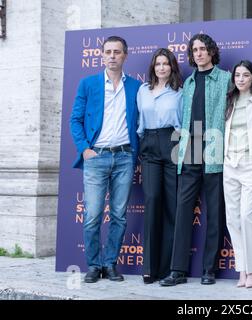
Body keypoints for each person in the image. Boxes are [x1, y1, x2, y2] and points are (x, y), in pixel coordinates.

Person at [159, 33, 231, 286]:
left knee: (214, 213)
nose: (199, 53)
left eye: (203, 49)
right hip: (189, 151)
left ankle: (209, 270)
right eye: (195, 50)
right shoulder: (187, 83)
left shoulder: (226, 79)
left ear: (211, 51)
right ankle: (177, 270)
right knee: (182, 211)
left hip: (214, 152)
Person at [70, 36, 140, 283]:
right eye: (108, 52)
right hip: (96, 156)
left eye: (117, 52)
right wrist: (84, 149)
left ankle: (109, 264)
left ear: (125, 55)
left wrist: (135, 152)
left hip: (124, 157)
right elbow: (75, 120)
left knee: (119, 215)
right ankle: (93, 265)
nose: (112, 56)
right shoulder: (88, 84)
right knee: (92, 215)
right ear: (101, 55)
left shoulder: (135, 87)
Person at [137, 48, 183, 284]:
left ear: (172, 67)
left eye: (166, 64)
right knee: (153, 199)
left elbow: (185, 124)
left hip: (173, 142)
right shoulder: (142, 90)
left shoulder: (179, 92)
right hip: (149, 145)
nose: (161, 67)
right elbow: (139, 122)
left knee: (172, 206)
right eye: (158, 64)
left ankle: (168, 268)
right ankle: (150, 267)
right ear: (153, 67)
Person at [223, 60, 252, 288]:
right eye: (237, 75)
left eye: (245, 75)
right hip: (229, 164)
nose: (240, 79)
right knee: (232, 219)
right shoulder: (228, 101)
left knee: (247, 217)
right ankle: (242, 270)